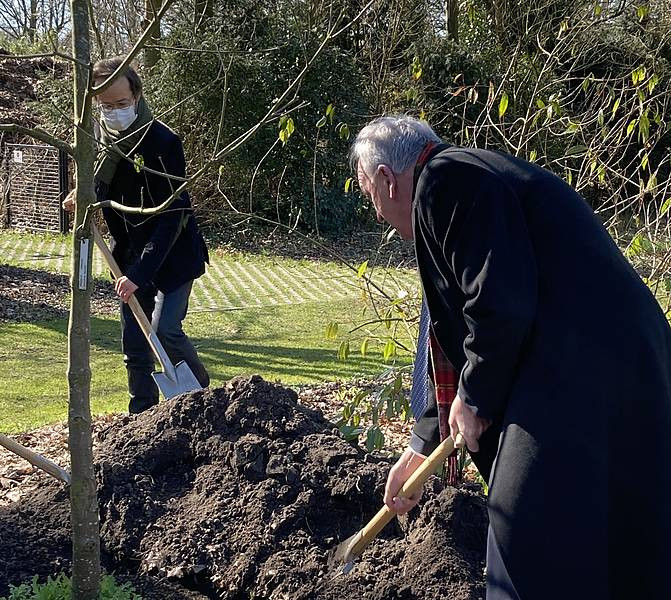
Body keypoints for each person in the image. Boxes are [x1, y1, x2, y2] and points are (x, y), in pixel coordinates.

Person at [350, 115, 671, 599]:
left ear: (385, 180)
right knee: (616, 530)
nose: (377, 213)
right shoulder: (474, 178)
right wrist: (421, 445)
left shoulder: (444, 181)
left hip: (579, 368)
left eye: (368, 193)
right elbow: (456, 332)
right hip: (624, 362)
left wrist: (475, 398)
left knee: (521, 529)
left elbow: (499, 303)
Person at [64, 56, 209, 413]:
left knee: (165, 330)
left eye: (122, 104)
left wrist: (138, 276)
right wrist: (81, 199)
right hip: (127, 253)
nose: (114, 111)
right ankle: (141, 417)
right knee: (134, 347)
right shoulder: (94, 147)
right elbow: (96, 190)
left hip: (174, 253)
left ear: (137, 95)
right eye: (106, 105)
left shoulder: (163, 143)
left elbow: (170, 217)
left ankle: (202, 398)